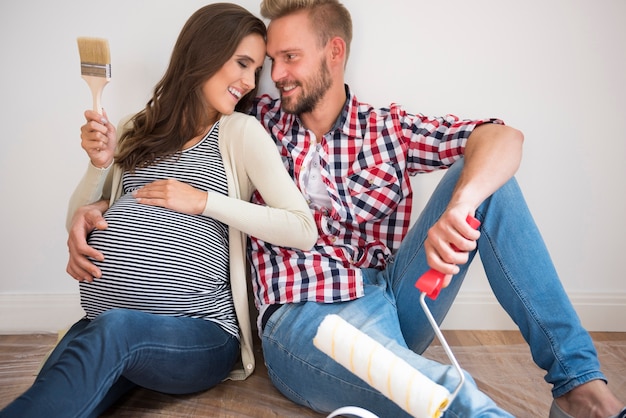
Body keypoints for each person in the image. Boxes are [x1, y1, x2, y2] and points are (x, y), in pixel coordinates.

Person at [64, 1, 625, 417]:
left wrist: (464, 204)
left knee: (489, 182)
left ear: (335, 52)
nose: (274, 73)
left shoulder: (389, 128)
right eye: (270, 62)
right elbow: (159, 134)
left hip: (392, 299)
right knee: (441, 397)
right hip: (304, 319)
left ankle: (580, 388)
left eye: (289, 58)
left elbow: (504, 137)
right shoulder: (251, 118)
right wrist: (91, 197)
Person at [0, 4, 317, 418]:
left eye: (254, 70)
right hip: (109, 321)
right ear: (203, 51)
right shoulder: (136, 128)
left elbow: (302, 228)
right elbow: (79, 219)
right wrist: (98, 167)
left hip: (200, 334)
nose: (248, 81)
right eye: (242, 63)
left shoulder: (239, 132)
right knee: (61, 386)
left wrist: (203, 201)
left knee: (109, 338)